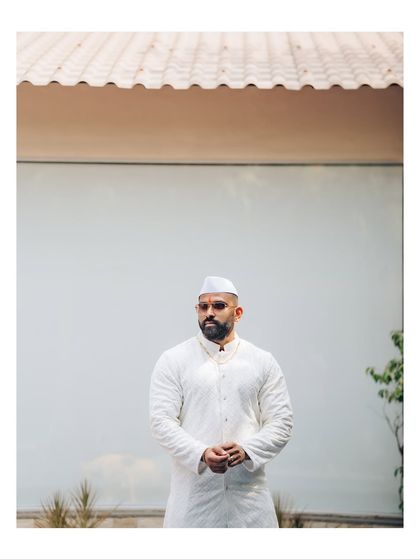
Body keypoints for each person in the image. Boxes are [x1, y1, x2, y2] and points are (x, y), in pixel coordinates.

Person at [149, 275, 293, 527]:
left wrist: (247, 450)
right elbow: (161, 423)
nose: (209, 313)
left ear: (238, 313)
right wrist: (201, 454)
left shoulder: (262, 361)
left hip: (250, 507)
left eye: (218, 306)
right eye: (203, 307)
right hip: (193, 506)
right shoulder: (173, 360)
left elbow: (281, 423)